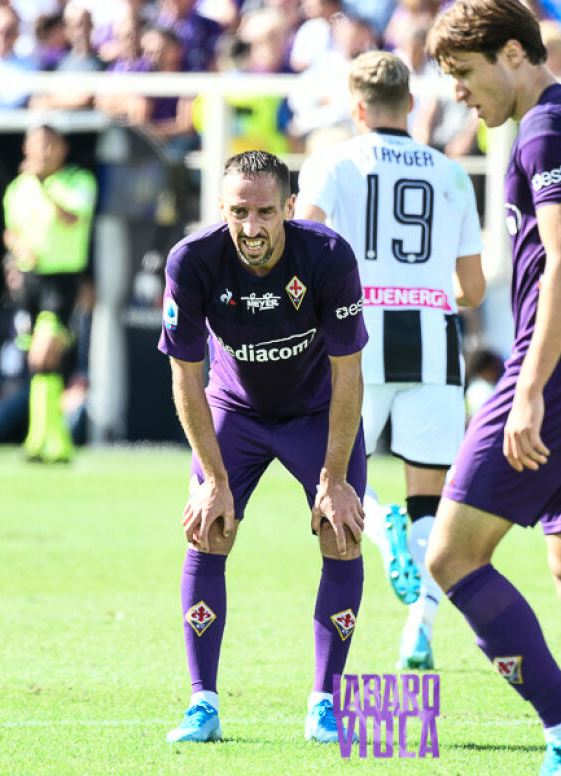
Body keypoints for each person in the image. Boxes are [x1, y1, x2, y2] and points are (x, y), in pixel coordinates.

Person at [426, 2, 561, 773]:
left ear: (514, 53)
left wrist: (526, 389)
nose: (456, 92)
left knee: (450, 558)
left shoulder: (548, 125)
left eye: (463, 73)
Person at [159, 151, 368, 745]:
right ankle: (202, 703)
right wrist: (214, 481)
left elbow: (349, 372)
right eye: (239, 212)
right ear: (220, 208)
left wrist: (334, 478)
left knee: (343, 530)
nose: (252, 228)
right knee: (209, 526)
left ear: (291, 209)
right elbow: (185, 377)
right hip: (234, 411)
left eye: (266, 212)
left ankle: (325, 702)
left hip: (316, 410)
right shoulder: (192, 260)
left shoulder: (327, 256)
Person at [296, 50, 485, 671]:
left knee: (333, 478)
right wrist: (424, 287)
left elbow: (300, 249)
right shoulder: (450, 173)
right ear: (412, 105)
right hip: (432, 341)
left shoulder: (331, 164)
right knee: (432, 502)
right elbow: (473, 289)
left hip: (356, 341)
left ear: (357, 109)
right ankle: (419, 634)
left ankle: (380, 529)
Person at [2, 125, 96, 464]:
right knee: (37, 362)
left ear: (62, 147)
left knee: (45, 355)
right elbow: (10, 232)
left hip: (62, 280)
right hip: (30, 282)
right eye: (36, 144)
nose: (42, 151)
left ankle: (53, 441)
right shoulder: (17, 188)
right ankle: (42, 440)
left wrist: (43, 186)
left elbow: (72, 218)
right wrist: (17, 249)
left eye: (49, 144)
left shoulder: (78, 181)